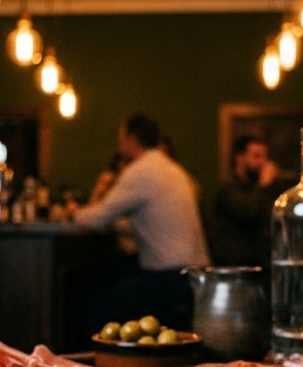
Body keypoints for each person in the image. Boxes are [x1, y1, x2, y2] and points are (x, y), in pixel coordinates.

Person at [72, 114, 210, 331]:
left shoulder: (141, 171)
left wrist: (74, 212)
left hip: (173, 278)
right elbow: (153, 221)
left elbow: (97, 219)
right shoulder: (172, 168)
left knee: (93, 311)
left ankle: (97, 363)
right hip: (196, 276)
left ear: (129, 139)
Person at [207, 134, 297, 267]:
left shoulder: (263, 189)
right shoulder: (229, 189)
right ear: (240, 157)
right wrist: (264, 185)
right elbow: (247, 212)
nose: (263, 162)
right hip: (237, 266)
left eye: (265, 157)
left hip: (262, 265)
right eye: (256, 156)